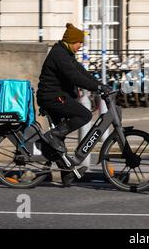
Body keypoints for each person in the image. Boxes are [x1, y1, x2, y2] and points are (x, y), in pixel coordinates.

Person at [37, 23, 107, 186]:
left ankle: (67, 174)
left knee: (60, 140)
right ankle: (53, 135)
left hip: (57, 96)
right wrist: (96, 87)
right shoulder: (59, 55)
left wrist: (99, 84)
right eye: (79, 42)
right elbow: (74, 77)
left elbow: (81, 72)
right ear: (71, 41)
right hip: (52, 97)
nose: (81, 46)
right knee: (84, 115)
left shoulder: (66, 53)